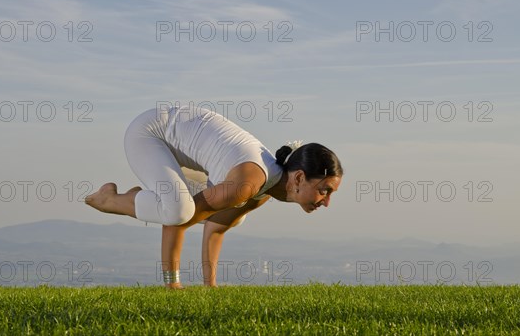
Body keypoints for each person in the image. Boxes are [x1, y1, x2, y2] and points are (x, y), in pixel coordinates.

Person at [85, 104, 343, 289]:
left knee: (230, 217)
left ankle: (139, 199)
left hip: (182, 153)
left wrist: (211, 286)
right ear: (298, 178)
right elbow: (179, 222)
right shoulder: (249, 184)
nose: (327, 202)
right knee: (178, 211)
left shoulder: (264, 190)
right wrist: (173, 285)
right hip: (150, 133)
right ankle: (109, 199)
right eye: (325, 190)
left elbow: (216, 228)